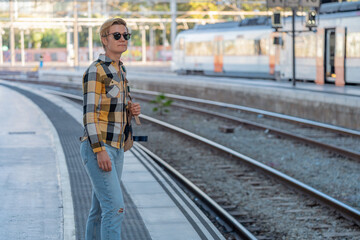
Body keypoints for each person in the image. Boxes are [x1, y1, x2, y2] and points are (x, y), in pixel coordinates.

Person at [79, 18, 141, 240]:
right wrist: (99, 150)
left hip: (116, 148)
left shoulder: (120, 69)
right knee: (115, 210)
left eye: (126, 35)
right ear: (104, 40)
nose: (123, 39)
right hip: (101, 147)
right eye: (117, 35)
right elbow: (89, 115)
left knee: (99, 212)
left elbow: (110, 106)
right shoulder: (97, 71)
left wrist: (130, 109)